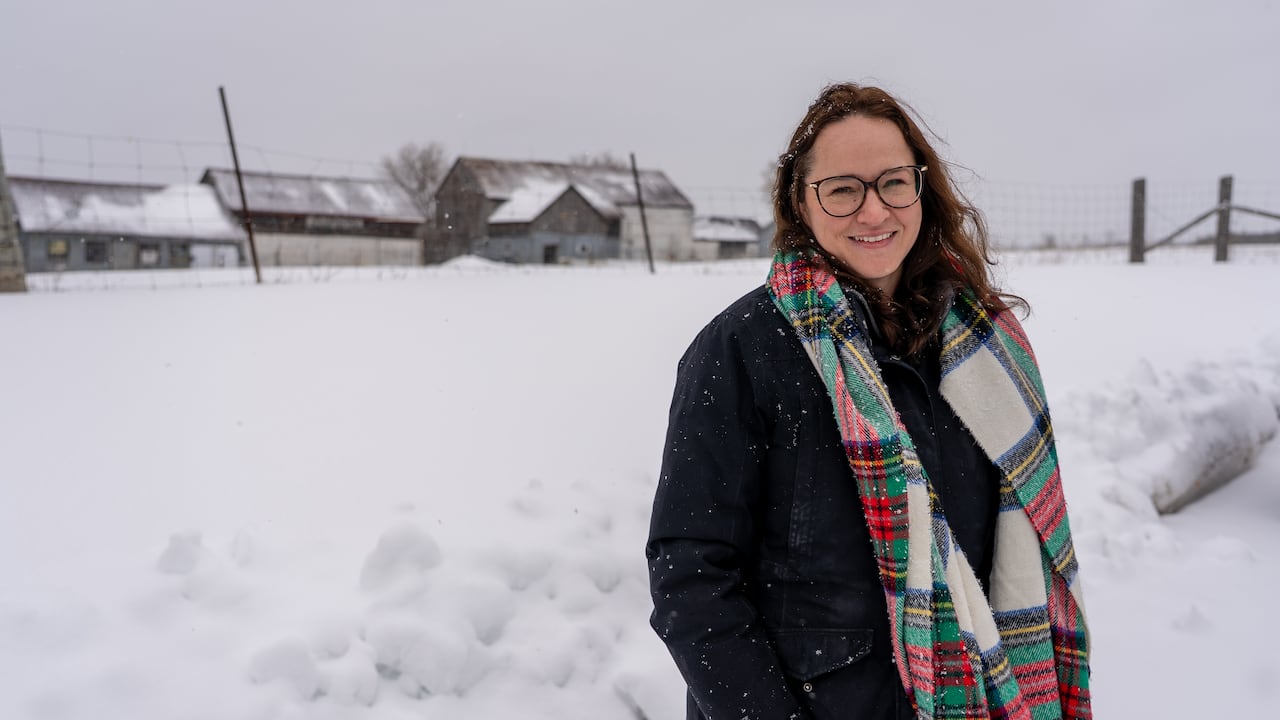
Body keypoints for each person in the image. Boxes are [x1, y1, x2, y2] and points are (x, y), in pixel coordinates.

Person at [646, 83, 1091, 720]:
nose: (874, 211)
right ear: (800, 202)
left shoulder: (986, 345)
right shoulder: (741, 350)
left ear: (921, 187)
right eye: (843, 188)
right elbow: (691, 578)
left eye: (891, 182)